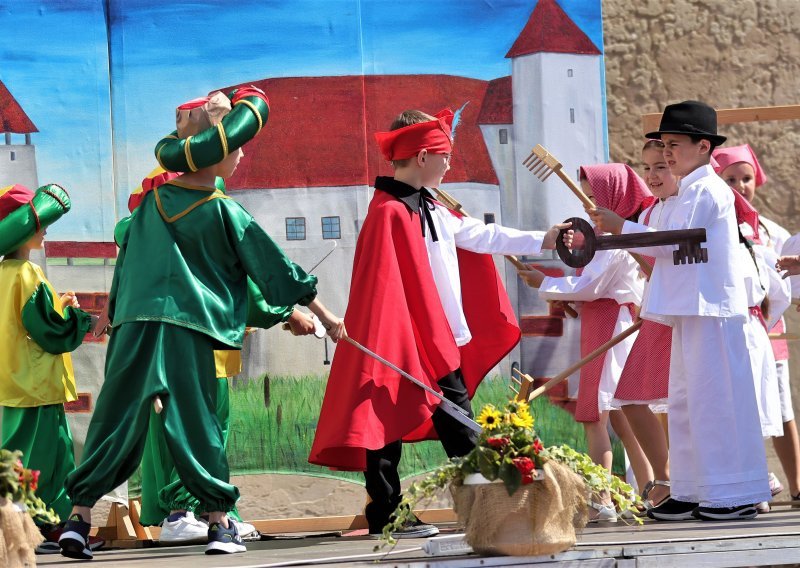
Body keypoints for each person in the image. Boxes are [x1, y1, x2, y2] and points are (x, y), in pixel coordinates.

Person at [58, 88, 345, 559]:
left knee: (115, 419)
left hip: (135, 331)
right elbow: (271, 267)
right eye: (235, 147)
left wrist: (115, 315)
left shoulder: (149, 206)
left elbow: (128, 261)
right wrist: (325, 315)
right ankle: (219, 524)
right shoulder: (222, 209)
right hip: (189, 330)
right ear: (215, 157)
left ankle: (78, 519)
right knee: (198, 423)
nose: (240, 155)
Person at [309, 108, 571, 538]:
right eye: (445, 155)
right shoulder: (389, 211)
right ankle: (395, 513)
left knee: (459, 426)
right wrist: (399, 339)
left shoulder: (428, 207)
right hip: (404, 340)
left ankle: (490, 509)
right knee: (389, 422)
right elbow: (382, 289)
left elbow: (480, 236)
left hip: (436, 339)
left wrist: (542, 238)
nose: (450, 163)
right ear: (423, 156)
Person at [590, 100, 770, 521]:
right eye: (664, 144)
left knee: (718, 402)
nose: (667, 153)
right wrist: (613, 234)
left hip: (713, 312)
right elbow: (660, 241)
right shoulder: (683, 193)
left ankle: (736, 492)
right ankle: (691, 489)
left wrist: (622, 227)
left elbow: (678, 242)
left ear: (703, 146)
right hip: (687, 310)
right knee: (686, 404)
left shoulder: (709, 191)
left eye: (674, 144)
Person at [519, 163, 653, 521]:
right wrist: (566, 295)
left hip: (610, 325)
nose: (589, 205)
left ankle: (603, 497)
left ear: (614, 198)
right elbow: (591, 288)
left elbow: (591, 286)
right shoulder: (608, 239)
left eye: (595, 197)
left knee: (594, 414)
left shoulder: (613, 241)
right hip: (605, 321)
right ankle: (649, 488)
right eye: (587, 198)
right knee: (621, 415)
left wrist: (544, 283)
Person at [0, 183, 104, 553]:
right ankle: (44, 527)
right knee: (44, 458)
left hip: (12, 385)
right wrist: (77, 319)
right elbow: (48, 330)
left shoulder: (5, 275)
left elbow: (23, 322)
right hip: (36, 387)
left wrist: (58, 305)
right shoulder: (26, 273)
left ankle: (43, 527)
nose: (45, 228)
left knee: (16, 456)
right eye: (40, 222)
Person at [713, 144, 800, 502]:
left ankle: (796, 483)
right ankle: (754, 485)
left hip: (768, 330)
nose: (740, 185)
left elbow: (787, 282)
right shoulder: (714, 225)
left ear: (756, 181)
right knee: (740, 409)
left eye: (745, 178)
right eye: (730, 179)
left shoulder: (771, 231)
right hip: (730, 332)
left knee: (780, 408)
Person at [611, 140, 677, 510]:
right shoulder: (652, 215)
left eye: (661, 166)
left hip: (675, 317)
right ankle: (665, 479)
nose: (652, 175)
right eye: (647, 167)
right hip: (655, 314)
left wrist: (625, 234)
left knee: (673, 404)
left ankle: (672, 481)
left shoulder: (684, 208)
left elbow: (665, 267)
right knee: (634, 398)